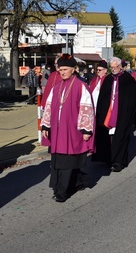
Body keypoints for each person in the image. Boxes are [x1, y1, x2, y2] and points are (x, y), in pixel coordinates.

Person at [40, 54, 95, 202]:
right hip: (58, 131)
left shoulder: (80, 86)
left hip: (72, 131)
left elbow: (86, 108)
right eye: (60, 69)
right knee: (58, 161)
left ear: (73, 69)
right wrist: (45, 125)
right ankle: (71, 183)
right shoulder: (56, 87)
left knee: (69, 161)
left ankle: (62, 192)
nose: (62, 72)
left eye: (65, 69)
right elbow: (49, 107)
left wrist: (86, 130)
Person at [94, 57, 136, 171]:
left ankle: (119, 162)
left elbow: (133, 97)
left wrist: (128, 111)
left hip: (122, 112)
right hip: (109, 111)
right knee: (107, 136)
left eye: (114, 67)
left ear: (119, 66)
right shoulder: (108, 79)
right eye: (111, 67)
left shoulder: (128, 79)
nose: (112, 69)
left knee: (120, 137)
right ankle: (108, 159)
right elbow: (102, 97)